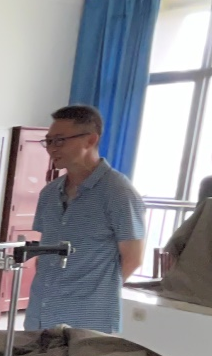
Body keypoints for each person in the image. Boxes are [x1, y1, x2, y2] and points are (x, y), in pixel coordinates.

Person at [24, 104, 145, 334]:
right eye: (48, 141)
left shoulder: (118, 192)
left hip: (87, 320)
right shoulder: (49, 193)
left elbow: (133, 258)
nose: (52, 148)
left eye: (60, 140)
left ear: (90, 140)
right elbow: (44, 252)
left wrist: (95, 293)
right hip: (41, 313)